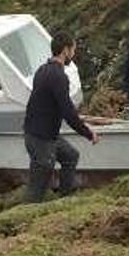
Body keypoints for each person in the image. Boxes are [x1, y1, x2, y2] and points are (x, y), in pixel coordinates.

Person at [23, 33, 100, 203]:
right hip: (40, 139)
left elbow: (53, 105)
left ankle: (64, 200)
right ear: (65, 50)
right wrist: (88, 133)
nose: (74, 53)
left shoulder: (43, 70)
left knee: (70, 156)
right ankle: (25, 218)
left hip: (44, 134)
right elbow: (68, 113)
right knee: (37, 189)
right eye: (73, 49)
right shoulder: (59, 77)